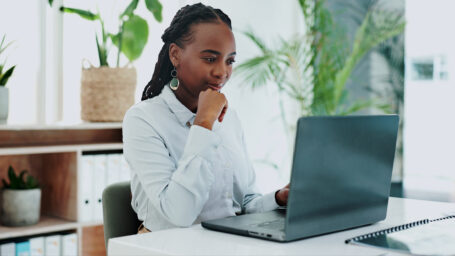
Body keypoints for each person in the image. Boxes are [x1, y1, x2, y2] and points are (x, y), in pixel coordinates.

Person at [122, 3, 289, 234]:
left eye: (230, 61)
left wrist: (279, 199)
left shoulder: (229, 118)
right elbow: (178, 215)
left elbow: (246, 203)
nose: (222, 72)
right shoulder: (142, 119)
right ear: (175, 54)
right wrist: (203, 124)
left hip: (226, 242)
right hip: (168, 246)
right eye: (210, 59)